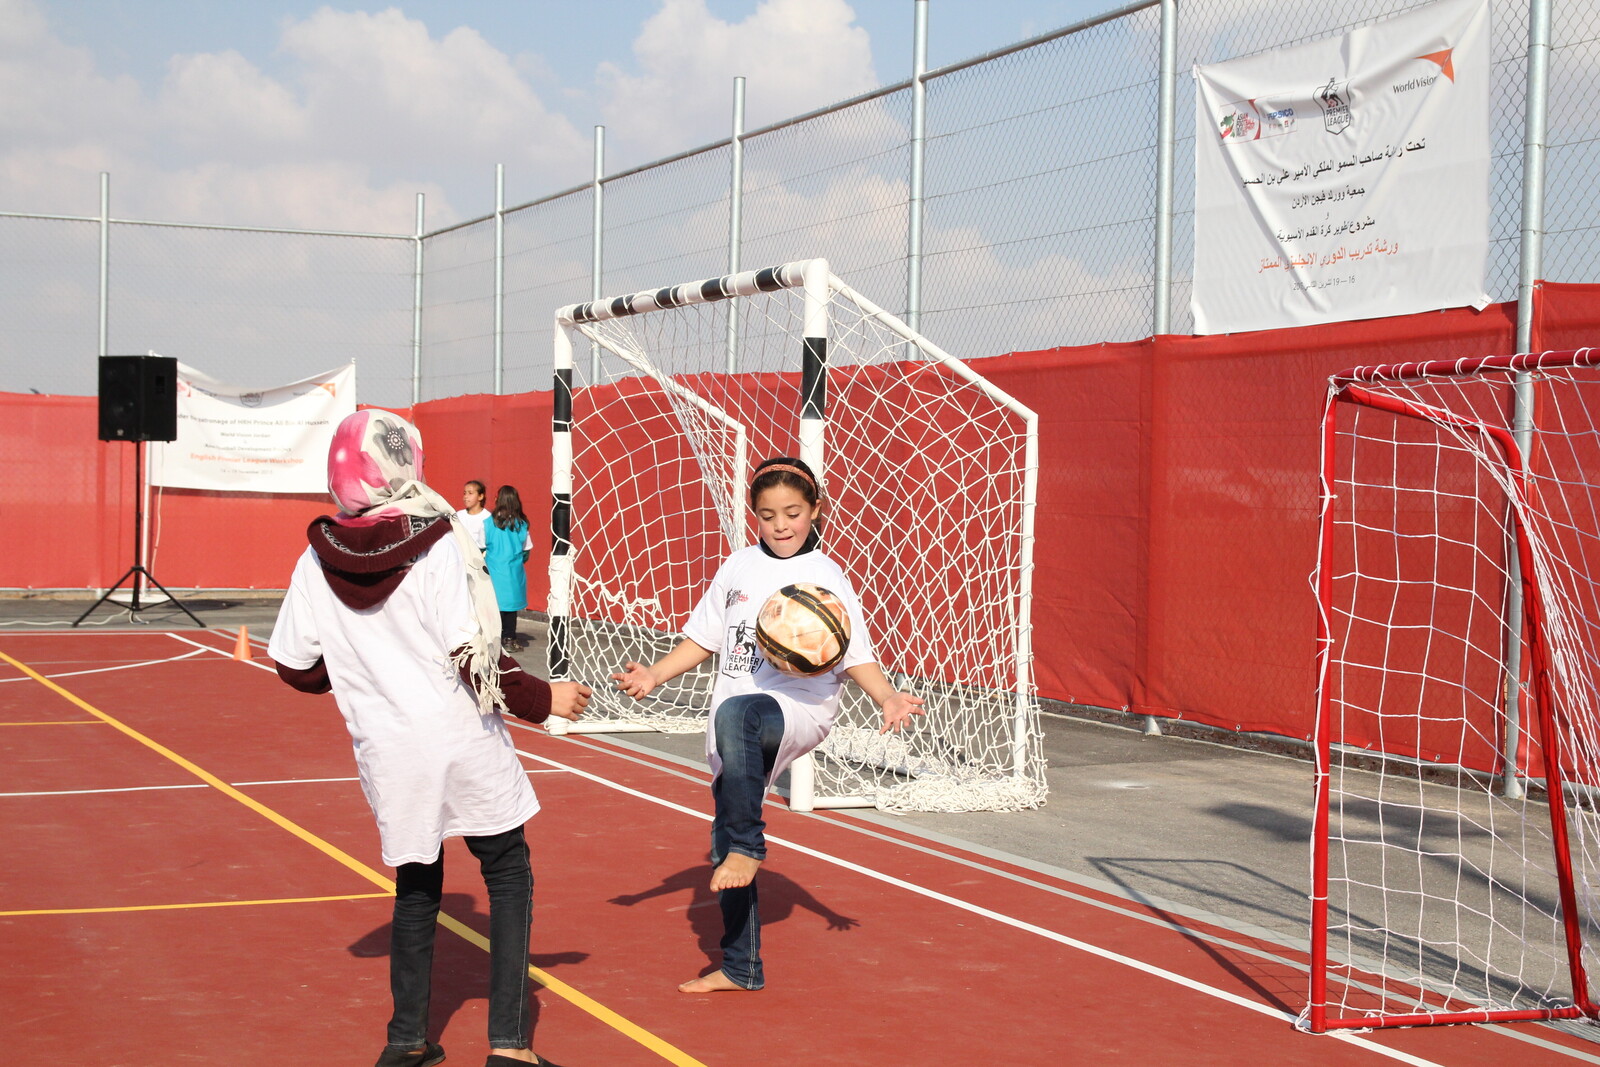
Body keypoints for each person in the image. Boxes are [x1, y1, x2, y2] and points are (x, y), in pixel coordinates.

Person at [268, 409, 590, 1067]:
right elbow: (475, 656)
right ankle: (509, 1044)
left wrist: (362, 667)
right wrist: (543, 700)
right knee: (506, 870)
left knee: (416, 882)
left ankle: (406, 1038)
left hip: (387, 748)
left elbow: (294, 665)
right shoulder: (438, 540)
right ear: (403, 464)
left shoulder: (315, 555)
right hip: (457, 734)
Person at [610, 456, 924, 993]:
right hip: (735, 717)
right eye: (768, 514)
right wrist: (656, 674)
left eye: (793, 513)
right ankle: (740, 966)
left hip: (798, 707)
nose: (781, 525)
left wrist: (887, 697)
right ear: (754, 516)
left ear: (815, 510)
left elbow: (854, 652)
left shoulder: (824, 575)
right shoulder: (737, 567)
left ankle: (750, 846)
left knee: (740, 750)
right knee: (722, 839)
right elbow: (704, 637)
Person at [484, 485, 534, 652]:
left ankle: (492, 638)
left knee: (494, 606)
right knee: (510, 609)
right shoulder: (522, 525)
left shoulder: (488, 523)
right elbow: (527, 550)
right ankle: (509, 639)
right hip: (513, 572)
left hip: (493, 571)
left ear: (499, 500)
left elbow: (480, 546)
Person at [457, 479, 491, 551]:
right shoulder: (458, 516)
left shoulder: (488, 518)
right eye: (464, 493)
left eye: (470, 493)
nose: (466, 496)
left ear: (480, 496)